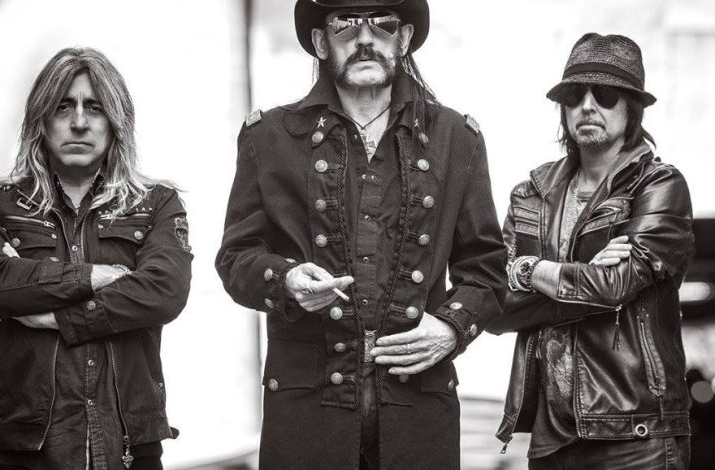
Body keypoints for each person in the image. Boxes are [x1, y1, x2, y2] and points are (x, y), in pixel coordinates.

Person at [215, 1, 506, 468]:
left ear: (403, 38)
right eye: (347, 24)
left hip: (418, 409)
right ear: (320, 42)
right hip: (308, 413)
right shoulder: (267, 137)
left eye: (383, 23)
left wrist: (451, 327)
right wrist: (286, 280)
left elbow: (487, 269)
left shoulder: (457, 138)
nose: (366, 38)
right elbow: (236, 258)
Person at [0, 47, 193, 470]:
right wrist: (99, 276)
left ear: (116, 120)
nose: (79, 121)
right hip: (23, 452)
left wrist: (59, 317)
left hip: (127, 448)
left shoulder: (157, 204)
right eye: (63, 106)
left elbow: (165, 291)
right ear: (40, 119)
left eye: (94, 107)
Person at [488, 33, 694, 469]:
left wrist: (528, 272)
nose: (586, 106)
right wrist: (579, 280)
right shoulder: (530, 194)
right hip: (551, 436)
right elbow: (493, 305)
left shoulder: (659, 185)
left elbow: (614, 285)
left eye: (604, 94)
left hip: (636, 432)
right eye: (573, 96)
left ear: (631, 108)